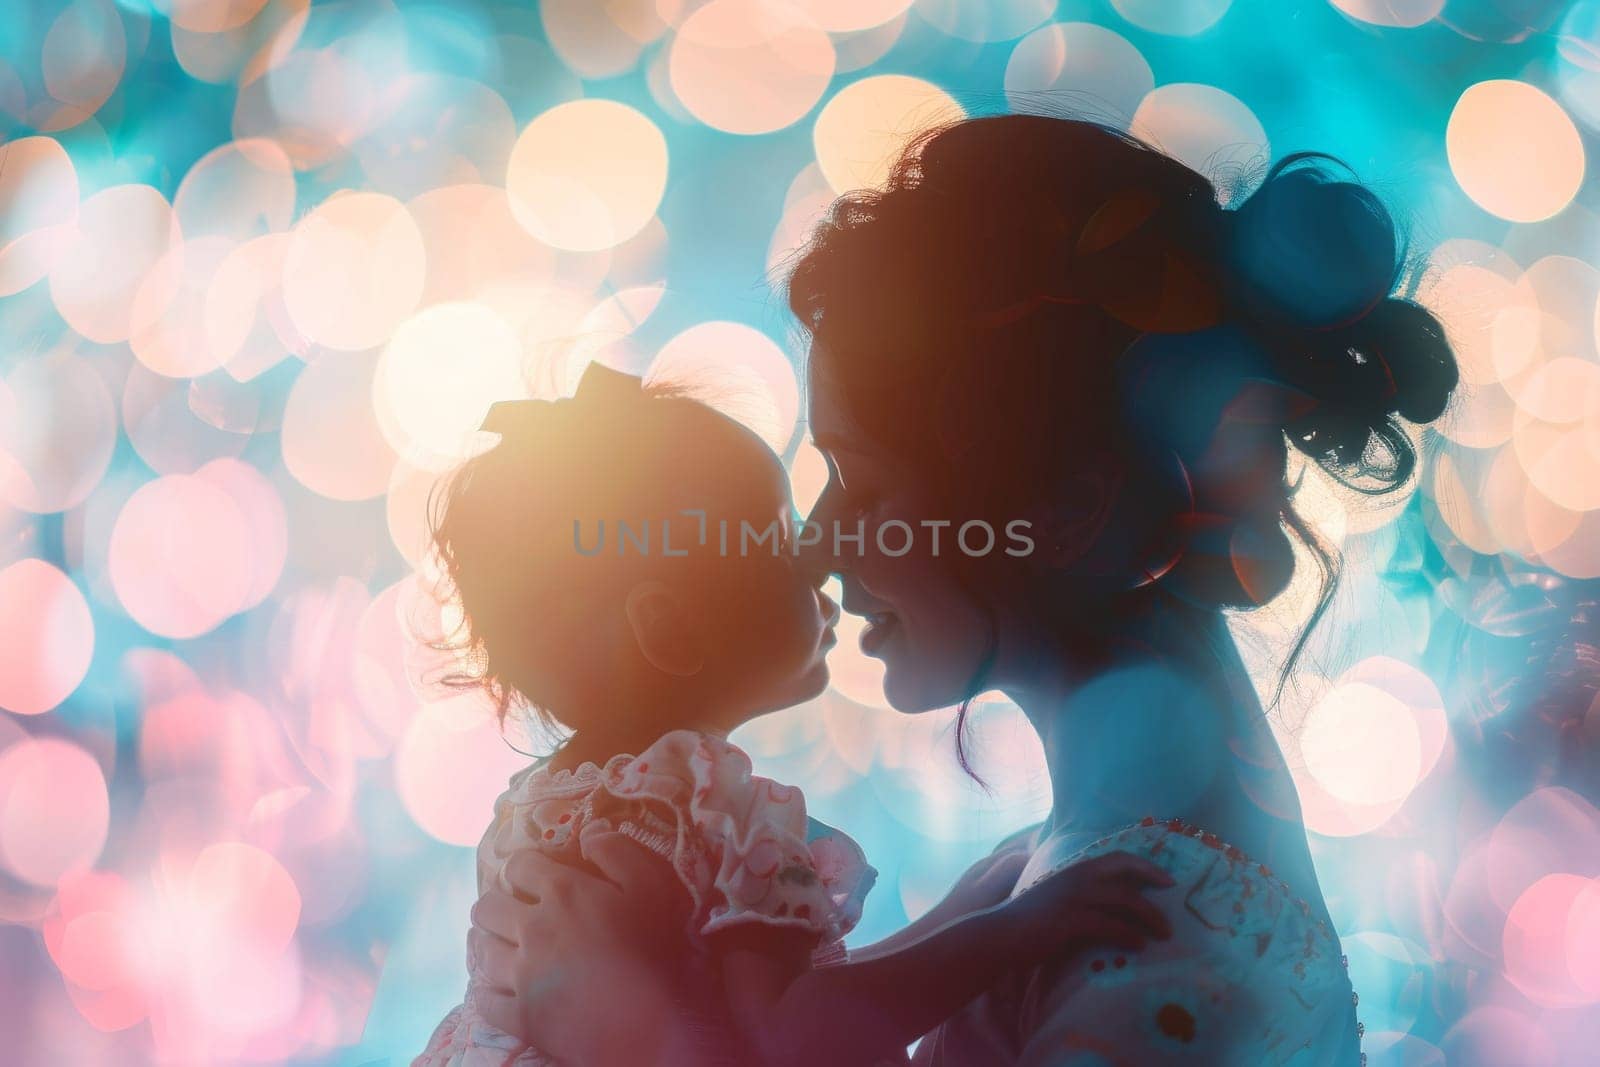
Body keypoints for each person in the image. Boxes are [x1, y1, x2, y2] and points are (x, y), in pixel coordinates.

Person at [465, 115, 1460, 1065]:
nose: (817, 540)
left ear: (1066, 506)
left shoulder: (1163, 932)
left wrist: (633, 1037)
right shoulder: (1085, 874)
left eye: (862, 477)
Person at [414, 360, 1177, 1067]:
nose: (817, 553)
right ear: (674, 631)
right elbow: (799, 1034)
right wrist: (1013, 933)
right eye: (772, 536)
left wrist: (960, 912)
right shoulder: (711, 806)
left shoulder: (541, 804)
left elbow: (748, 1008)